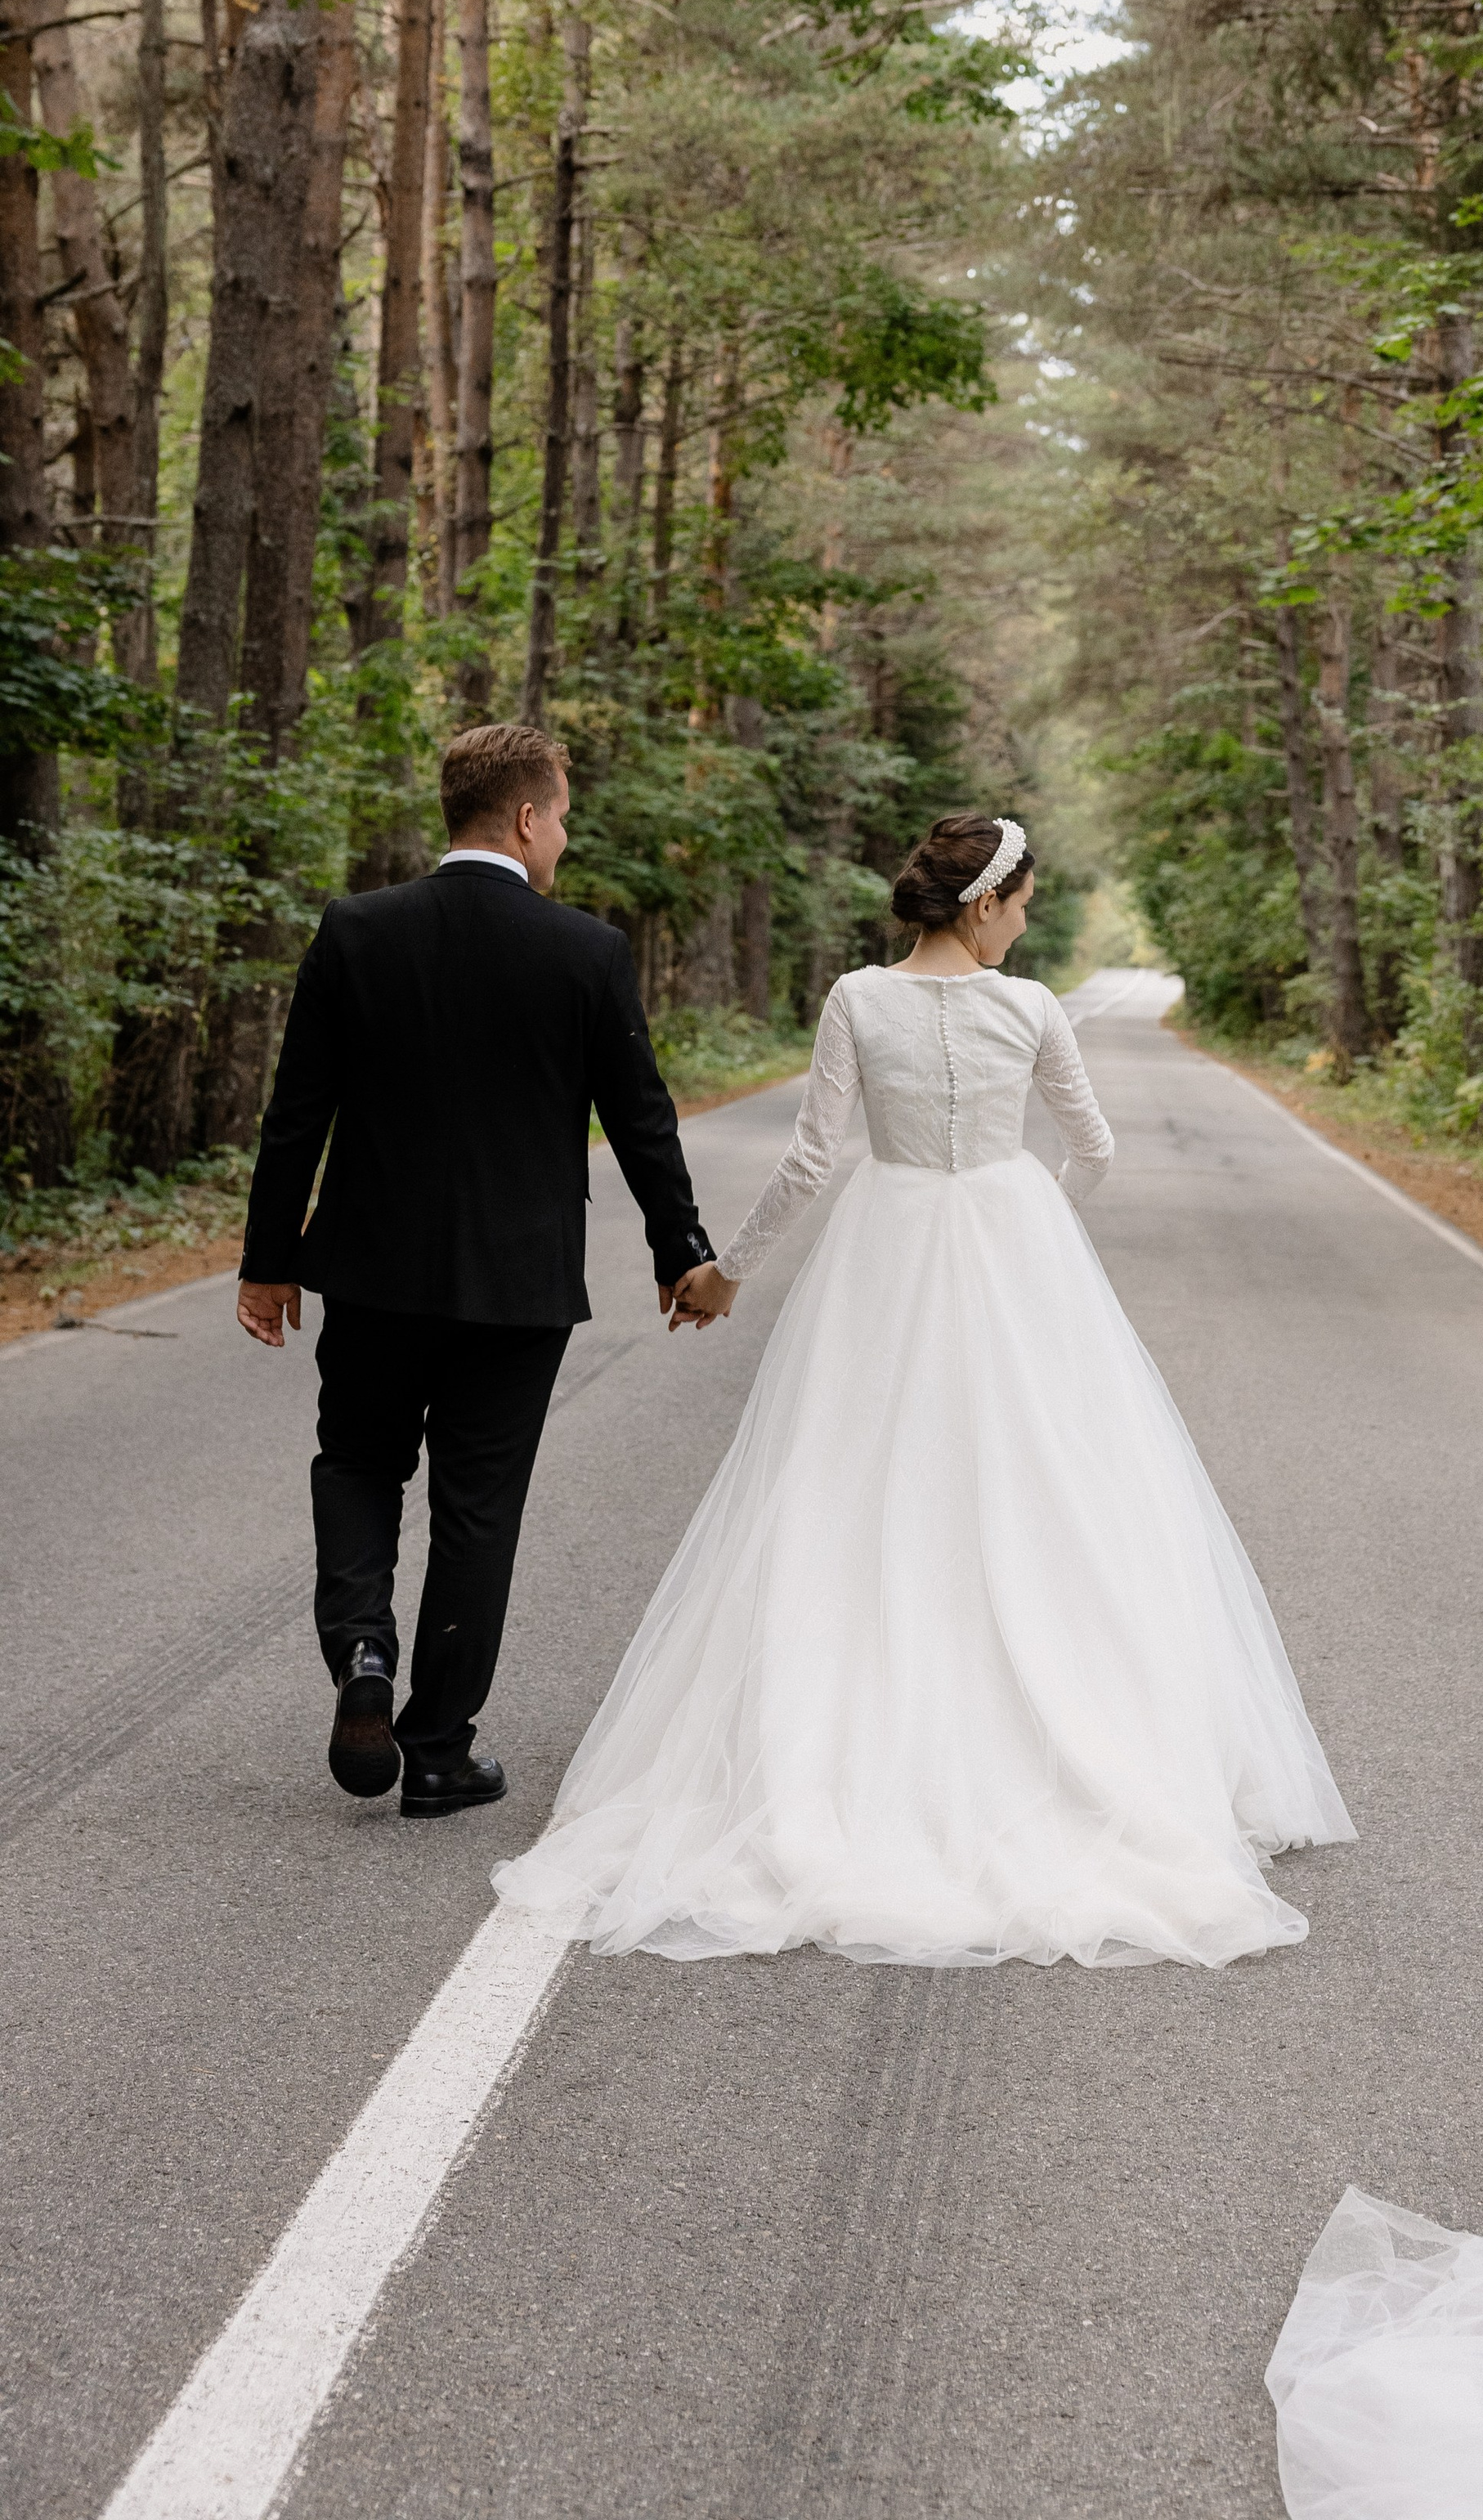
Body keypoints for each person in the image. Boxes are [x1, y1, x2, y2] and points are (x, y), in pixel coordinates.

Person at [493, 811, 1354, 1966]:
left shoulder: (859, 996)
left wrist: (726, 1273)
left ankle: (848, 1732)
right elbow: (1092, 1148)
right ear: (988, 901)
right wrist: (1032, 1219)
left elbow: (810, 1159)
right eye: (1027, 903)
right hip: (1013, 1243)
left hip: (886, 1241)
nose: (1029, 922)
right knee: (1042, 1487)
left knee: (856, 1485)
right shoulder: (1033, 1008)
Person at [236, 722, 720, 1819]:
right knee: (477, 1508)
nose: (566, 839)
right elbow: (640, 1120)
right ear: (525, 817)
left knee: (357, 1461)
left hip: (370, 1269)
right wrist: (679, 1252)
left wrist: (269, 1265)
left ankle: (361, 1650)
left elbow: (294, 1115)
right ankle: (440, 1750)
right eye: (563, 818)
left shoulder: (358, 931)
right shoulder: (586, 952)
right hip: (517, 1286)